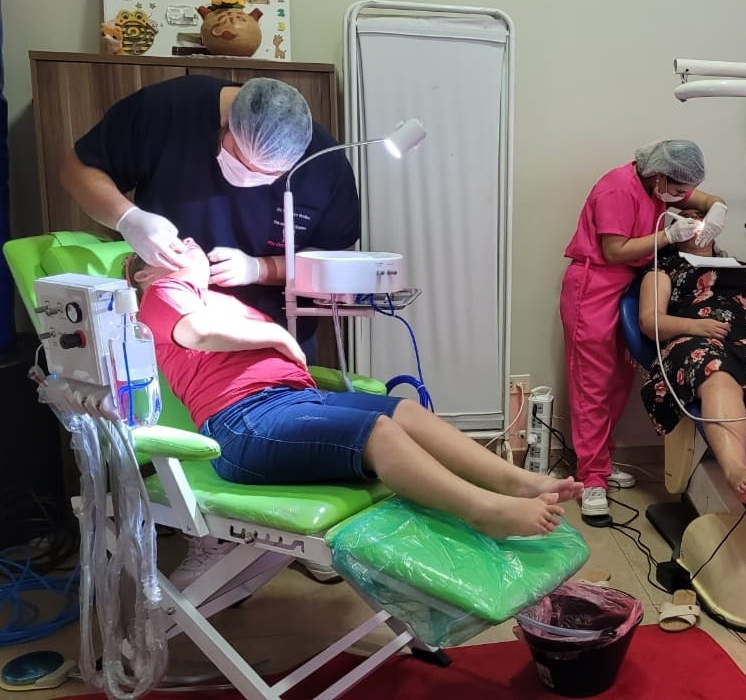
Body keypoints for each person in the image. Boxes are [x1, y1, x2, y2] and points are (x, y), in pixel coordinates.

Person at [124, 240, 584, 588]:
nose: (187, 242)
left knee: (405, 412)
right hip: (246, 422)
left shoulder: (215, 298)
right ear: (145, 272)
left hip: (292, 402)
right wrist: (279, 338)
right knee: (379, 432)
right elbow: (199, 334)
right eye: (173, 245)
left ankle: (514, 481)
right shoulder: (162, 293)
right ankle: (483, 510)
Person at [59, 74, 359, 358]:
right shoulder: (166, 111)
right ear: (227, 123)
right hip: (166, 339)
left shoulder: (325, 164)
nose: (250, 175)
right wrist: (126, 217)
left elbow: (333, 261)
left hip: (280, 337)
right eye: (240, 157)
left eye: (270, 174)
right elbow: (77, 168)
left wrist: (260, 269)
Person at [560, 140, 728, 518]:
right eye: (678, 189)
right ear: (659, 177)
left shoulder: (663, 182)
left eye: (685, 190)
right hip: (595, 286)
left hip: (627, 287)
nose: (682, 197)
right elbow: (614, 251)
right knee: (592, 386)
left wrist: (717, 207)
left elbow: (704, 198)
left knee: (619, 382)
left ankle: (601, 463)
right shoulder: (617, 189)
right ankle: (592, 478)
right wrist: (669, 235)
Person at [637, 210, 746, 504]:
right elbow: (650, 321)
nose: (696, 223)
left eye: (701, 218)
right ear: (675, 233)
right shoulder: (664, 267)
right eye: (686, 220)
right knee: (717, 374)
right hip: (693, 341)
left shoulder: (741, 269)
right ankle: (735, 471)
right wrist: (696, 327)